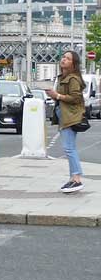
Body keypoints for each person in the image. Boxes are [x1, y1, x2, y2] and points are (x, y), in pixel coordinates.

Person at [47, 50, 86, 193]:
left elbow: (75, 98)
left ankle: (76, 179)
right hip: (64, 116)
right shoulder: (63, 77)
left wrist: (57, 95)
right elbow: (63, 98)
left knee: (69, 148)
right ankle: (72, 179)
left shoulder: (73, 78)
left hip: (70, 117)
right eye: (63, 57)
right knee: (69, 147)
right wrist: (54, 96)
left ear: (73, 64)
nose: (63, 60)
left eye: (67, 58)